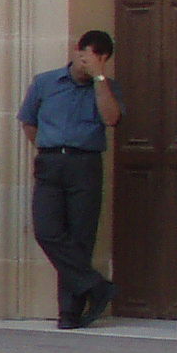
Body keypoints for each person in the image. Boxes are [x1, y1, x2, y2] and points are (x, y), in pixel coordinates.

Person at [19, 29, 121, 327]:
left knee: (80, 238)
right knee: (47, 231)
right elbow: (28, 121)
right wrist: (47, 148)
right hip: (51, 161)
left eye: (99, 61)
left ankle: (70, 312)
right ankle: (97, 285)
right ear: (78, 52)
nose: (91, 65)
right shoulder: (45, 83)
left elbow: (112, 118)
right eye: (89, 57)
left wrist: (100, 80)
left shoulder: (106, 88)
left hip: (85, 163)